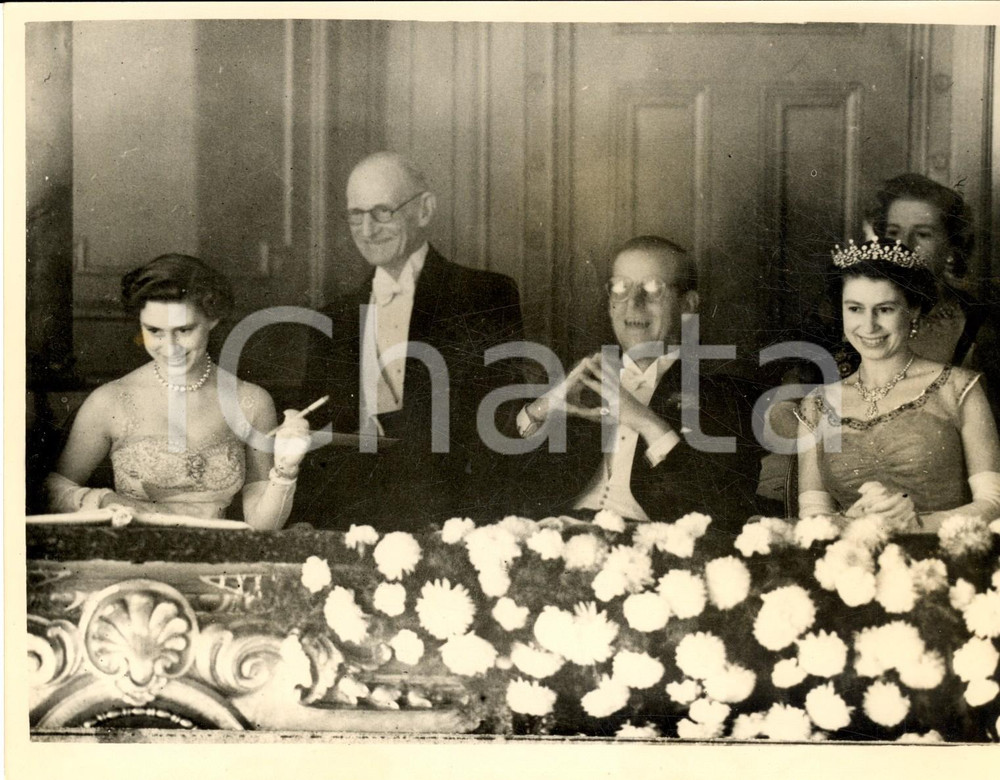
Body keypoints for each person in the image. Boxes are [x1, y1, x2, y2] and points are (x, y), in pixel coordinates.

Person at [297, 152, 524, 529]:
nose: (367, 230)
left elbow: (497, 426)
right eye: (356, 215)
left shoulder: (485, 295)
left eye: (382, 212)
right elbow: (317, 440)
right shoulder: (332, 318)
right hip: (351, 523)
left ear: (424, 210)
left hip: (453, 519)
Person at [513, 236, 765, 543]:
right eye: (621, 287)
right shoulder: (584, 380)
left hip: (651, 551)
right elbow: (506, 487)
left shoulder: (724, 392)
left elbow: (722, 513)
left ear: (687, 305)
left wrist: (644, 421)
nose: (633, 303)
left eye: (653, 288)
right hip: (555, 540)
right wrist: (545, 406)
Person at [44, 255, 311, 530]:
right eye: (154, 331)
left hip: (217, 553)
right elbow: (51, 490)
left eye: (184, 330)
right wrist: (103, 499)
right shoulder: (110, 401)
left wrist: (286, 469)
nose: (170, 347)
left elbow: (263, 527)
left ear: (213, 319)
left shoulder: (251, 402)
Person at [796, 239, 1000, 531]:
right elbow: (812, 516)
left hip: (947, 551)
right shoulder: (817, 404)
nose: (869, 326)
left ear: (913, 310)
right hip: (850, 555)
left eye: (885, 309)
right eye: (855, 309)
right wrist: (849, 522)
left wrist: (918, 524)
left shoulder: (958, 388)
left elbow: (993, 502)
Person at [865, 173, 1000, 417]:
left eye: (923, 234)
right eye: (893, 232)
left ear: (951, 246)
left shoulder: (980, 322)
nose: (903, 245)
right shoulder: (846, 310)